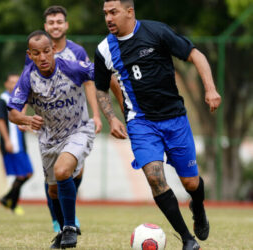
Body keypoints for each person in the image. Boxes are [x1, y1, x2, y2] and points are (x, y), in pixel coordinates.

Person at [94, 1, 221, 250]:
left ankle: (198, 206)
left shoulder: (156, 32)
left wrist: (211, 89)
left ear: (130, 12)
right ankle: (187, 239)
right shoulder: (103, 49)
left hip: (175, 119)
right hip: (141, 122)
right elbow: (100, 87)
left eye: (113, 12)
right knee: (154, 178)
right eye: (105, 14)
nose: (108, 18)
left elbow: (196, 55)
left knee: (191, 184)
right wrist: (112, 118)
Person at [8, 30, 99, 249]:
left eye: (46, 52)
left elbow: (103, 76)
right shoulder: (28, 76)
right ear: (30, 55)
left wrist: (112, 114)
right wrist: (28, 119)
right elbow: (12, 112)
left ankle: (69, 227)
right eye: (36, 53)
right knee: (52, 191)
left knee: (61, 171)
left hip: (79, 130)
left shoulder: (72, 67)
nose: (42, 57)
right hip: (49, 138)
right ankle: (62, 229)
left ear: (54, 50)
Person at [0, 74, 33, 216]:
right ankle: (11, 202)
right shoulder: (3, 99)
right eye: (11, 82)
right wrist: (6, 140)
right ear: (6, 84)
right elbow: (0, 121)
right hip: (12, 142)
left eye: (16, 82)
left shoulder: (20, 99)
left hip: (20, 142)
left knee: (25, 174)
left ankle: (8, 200)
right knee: (24, 174)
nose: (14, 84)